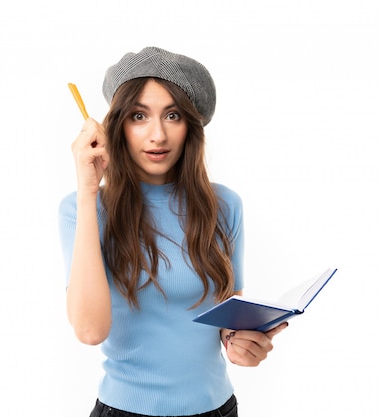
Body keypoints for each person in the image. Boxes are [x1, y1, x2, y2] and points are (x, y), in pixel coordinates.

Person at [58, 46, 288, 417]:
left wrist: (241, 343)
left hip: (217, 409)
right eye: (138, 116)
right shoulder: (82, 208)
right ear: (117, 126)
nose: (157, 135)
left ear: (190, 127)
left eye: (173, 115)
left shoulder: (225, 205)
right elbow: (89, 331)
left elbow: (226, 317)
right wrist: (88, 192)